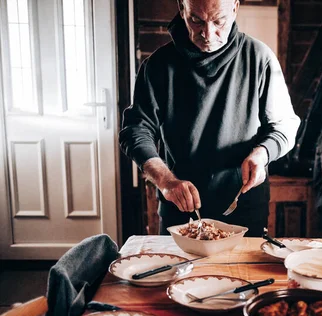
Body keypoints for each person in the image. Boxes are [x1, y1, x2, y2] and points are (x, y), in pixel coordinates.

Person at [119, 0, 299, 236]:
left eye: (219, 21)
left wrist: (263, 152)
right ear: (181, 8)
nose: (208, 34)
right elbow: (135, 131)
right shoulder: (157, 66)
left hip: (243, 207)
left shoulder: (260, 58)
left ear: (235, 7)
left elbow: (284, 126)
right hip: (180, 209)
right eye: (196, 20)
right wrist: (165, 181)